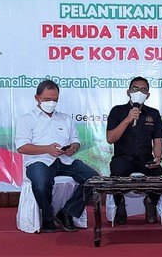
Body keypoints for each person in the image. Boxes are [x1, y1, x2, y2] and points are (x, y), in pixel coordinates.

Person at [15, 79, 99, 233]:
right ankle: (47, 219)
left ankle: (67, 212)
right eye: (47, 99)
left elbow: (75, 141)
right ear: (37, 98)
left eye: (55, 99)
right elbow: (22, 147)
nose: (52, 103)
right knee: (41, 183)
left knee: (94, 179)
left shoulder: (65, 118)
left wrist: (72, 148)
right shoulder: (26, 119)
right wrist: (47, 149)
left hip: (64, 160)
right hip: (39, 161)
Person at [106, 76, 162, 224]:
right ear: (128, 92)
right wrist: (127, 119)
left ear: (148, 95)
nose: (139, 92)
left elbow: (157, 140)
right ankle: (120, 205)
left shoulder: (153, 113)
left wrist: (157, 158)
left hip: (145, 158)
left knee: (160, 176)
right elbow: (110, 138)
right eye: (135, 89)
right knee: (116, 172)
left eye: (143, 90)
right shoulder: (117, 111)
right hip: (123, 158)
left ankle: (150, 203)